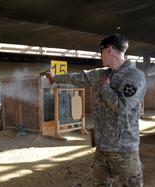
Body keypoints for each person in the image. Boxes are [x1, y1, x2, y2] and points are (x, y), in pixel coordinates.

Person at [46, 34, 146, 186]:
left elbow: (122, 107)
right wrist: (55, 78)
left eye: (101, 52)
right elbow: (79, 77)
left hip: (124, 151)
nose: (100, 57)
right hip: (102, 148)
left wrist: (105, 87)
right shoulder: (102, 73)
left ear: (110, 50)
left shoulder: (134, 77)